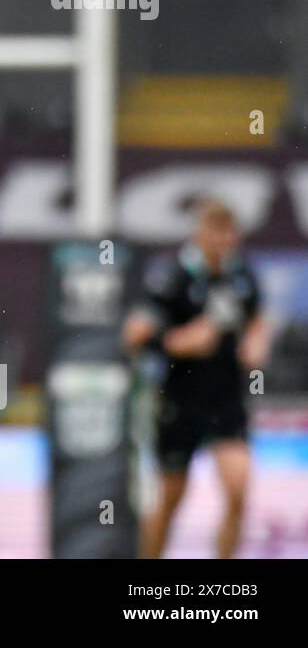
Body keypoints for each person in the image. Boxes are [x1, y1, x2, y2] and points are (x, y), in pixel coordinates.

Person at [122, 197, 271, 558]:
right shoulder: (174, 275)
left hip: (226, 399)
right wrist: (179, 341)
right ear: (201, 233)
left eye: (230, 233)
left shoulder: (241, 274)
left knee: (238, 491)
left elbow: (256, 318)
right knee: (171, 499)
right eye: (217, 233)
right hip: (180, 401)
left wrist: (255, 342)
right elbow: (134, 334)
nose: (224, 242)